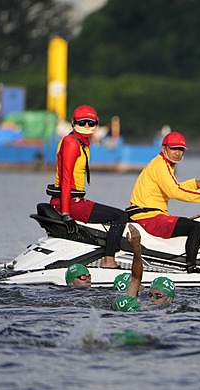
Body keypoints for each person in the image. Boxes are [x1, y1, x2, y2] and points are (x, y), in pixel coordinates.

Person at [128, 131, 200, 274]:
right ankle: (191, 268)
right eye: (174, 149)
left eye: (181, 149)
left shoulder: (164, 164)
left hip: (149, 214)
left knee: (191, 223)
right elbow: (176, 192)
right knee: (195, 227)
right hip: (149, 217)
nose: (178, 153)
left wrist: (196, 183)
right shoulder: (161, 165)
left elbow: (174, 187)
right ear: (163, 149)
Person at [48, 105, 128, 268]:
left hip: (76, 200)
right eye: (82, 122)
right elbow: (65, 179)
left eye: (91, 123)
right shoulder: (71, 143)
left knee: (121, 215)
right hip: (66, 202)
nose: (86, 126)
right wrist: (66, 214)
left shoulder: (83, 142)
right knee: (120, 217)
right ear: (73, 122)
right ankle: (109, 261)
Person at [113, 224, 146, 311]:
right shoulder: (130, 301)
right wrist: (137, 250)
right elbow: (136, 278)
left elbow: (136, 279)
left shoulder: (122, 303)